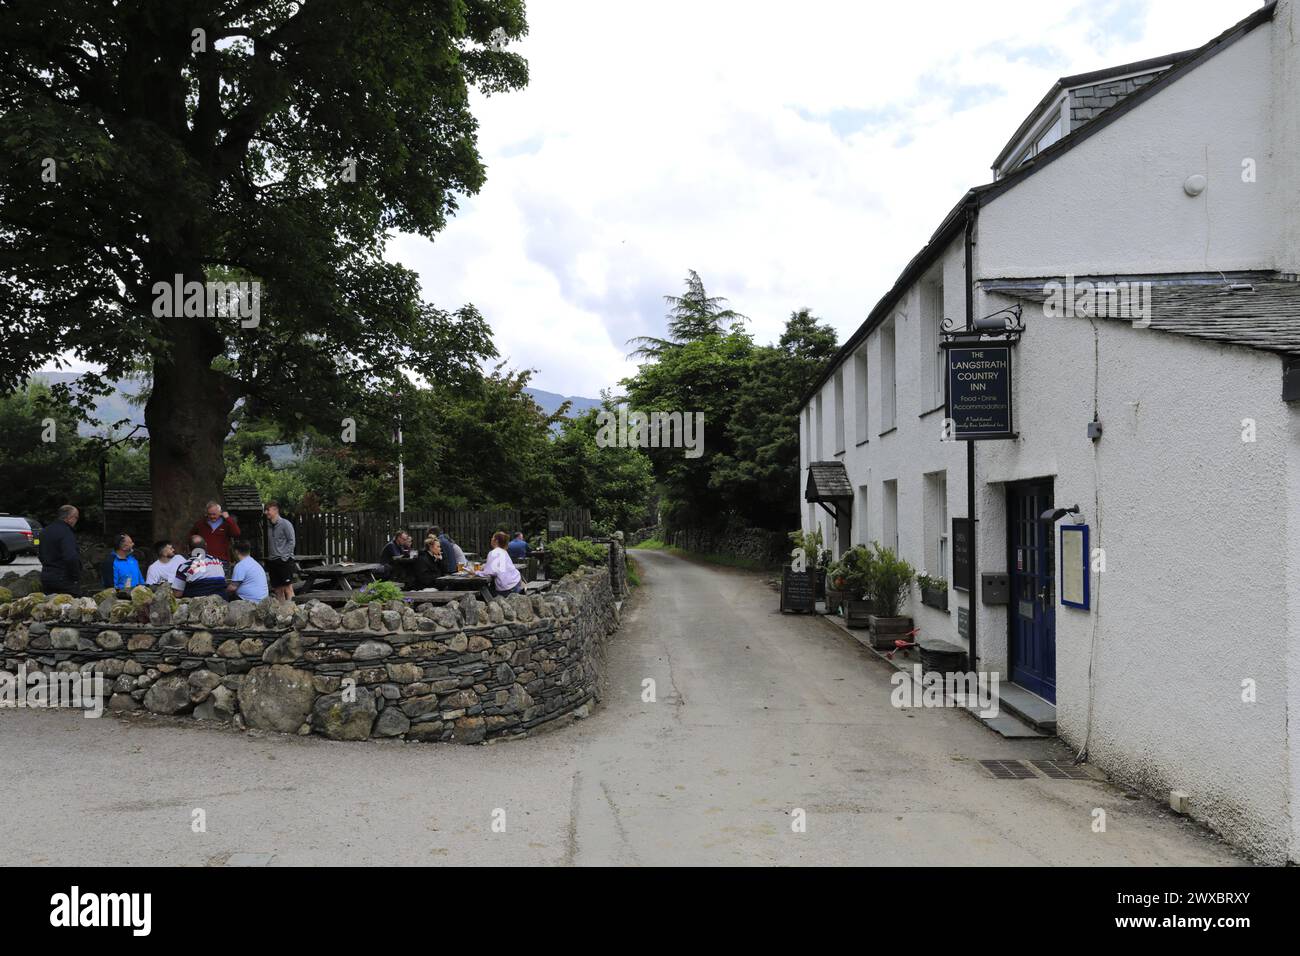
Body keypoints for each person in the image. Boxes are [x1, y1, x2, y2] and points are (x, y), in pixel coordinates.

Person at [38, 504, 83, 596]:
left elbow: (40, 554)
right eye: (76, 518)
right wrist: (76, 576)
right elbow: (71, 557)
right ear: (69, 518)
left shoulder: (45, 531)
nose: (76, 521)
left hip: (47, 576)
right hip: (64, 578)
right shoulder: (66, 532)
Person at [264, 501, 297, 601]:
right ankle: (281, 614)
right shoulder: (269, 525)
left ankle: (293, 613)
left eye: (267, 510)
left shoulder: (285, 524)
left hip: (284, 561)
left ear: (275, 510)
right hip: (273, 561)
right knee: (278, 590)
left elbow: (292, 541)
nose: (265, 512)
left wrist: (284, 557)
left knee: (288, 589)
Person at [476, 531, 523, 596]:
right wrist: (486, 566)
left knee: (483, 593)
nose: (491, 539)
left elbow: (490, 572)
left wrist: (475, 572)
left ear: (496, 541)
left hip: (507, 589)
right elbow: (499, 568)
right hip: (516, 582)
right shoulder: (503, 551)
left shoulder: (493, 553)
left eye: (492, 538)